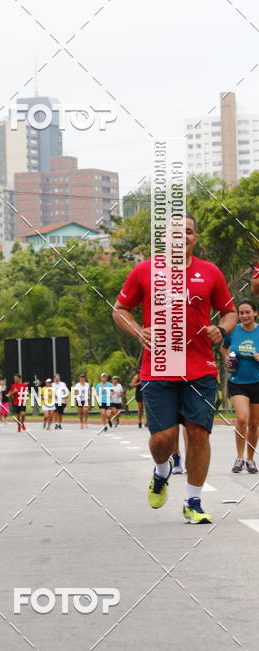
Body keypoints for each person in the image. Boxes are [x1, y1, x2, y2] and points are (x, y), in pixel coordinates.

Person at [113, 212, 235, 524]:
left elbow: (229, 312)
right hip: (158, 368)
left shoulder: (211, 273)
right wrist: (138, 331)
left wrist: (221, 329)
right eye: (177, 233)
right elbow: (121, 310)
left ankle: (193, 501)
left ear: (196, 238)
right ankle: (162, 469)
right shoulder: (144, 271)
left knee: (198, 434)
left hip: (201, 368)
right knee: (163, 440)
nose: (183, 237)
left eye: (190, 232)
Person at [222, 299, 259, 474]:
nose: (244, 316)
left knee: (254, 424)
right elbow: (224, 348)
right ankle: (239, 457)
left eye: (247, 312)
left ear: (255, 313)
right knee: (242, 419)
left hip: (257, 382)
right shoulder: (233, 331)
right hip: (237, 381)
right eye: (241, 313)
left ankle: (251, 459)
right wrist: (227, 360)